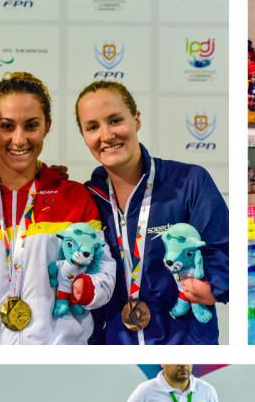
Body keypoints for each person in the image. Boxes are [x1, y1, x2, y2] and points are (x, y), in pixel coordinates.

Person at [0, 72, 113, 344]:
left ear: (47, 126)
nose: (19, 139)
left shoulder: (74, 197)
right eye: (7, 126)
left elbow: (102, 269)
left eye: (31, 126)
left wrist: (88, 289)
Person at [77, 81, 229, 345]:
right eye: (92, 127)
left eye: (115, 120)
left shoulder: (189, 182)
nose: (106, 135)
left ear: (136, 119)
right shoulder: (86, 199)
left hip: (184, 344)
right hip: (113, 349)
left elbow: (224, 248)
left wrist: (213, 286)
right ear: (83, 135)